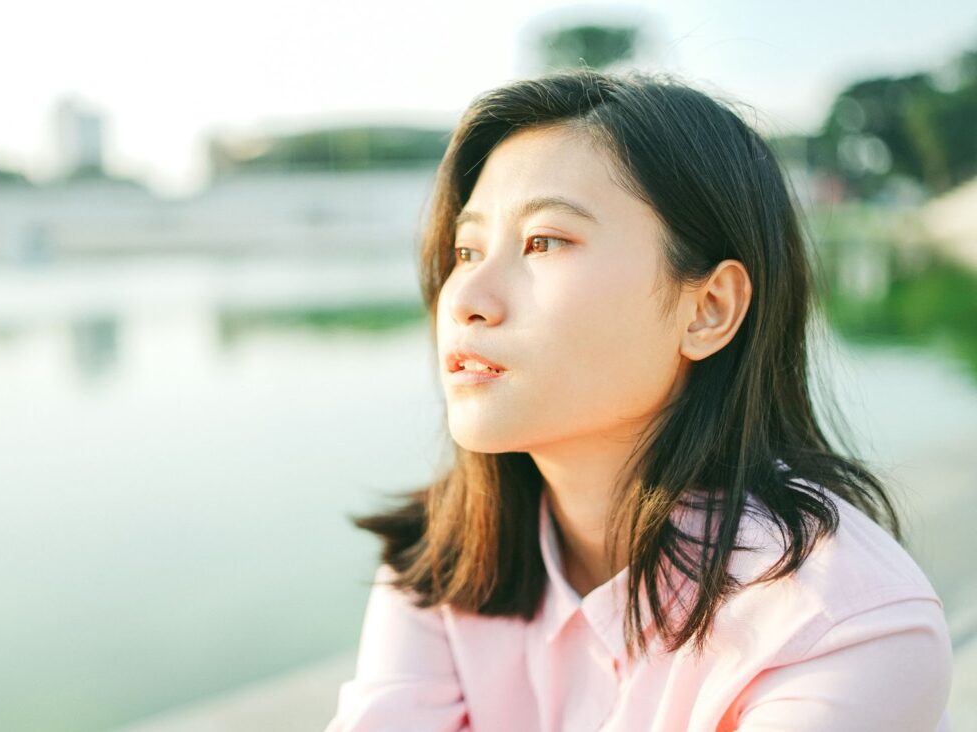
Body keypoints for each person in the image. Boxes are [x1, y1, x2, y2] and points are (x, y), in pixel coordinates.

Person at [323, 68, 954, 731]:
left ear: (708, 310)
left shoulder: (843, 631)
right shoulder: (442, 559)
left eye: (544, 241)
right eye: (465, 249)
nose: (467, 300)